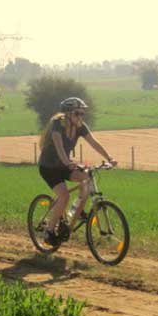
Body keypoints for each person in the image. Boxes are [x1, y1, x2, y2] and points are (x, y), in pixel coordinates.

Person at [37, 97, 116, 245]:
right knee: (64, 195)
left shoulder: (80, 126)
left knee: (86, 178)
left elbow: (94, 143)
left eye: (82, 113)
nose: (81, 116)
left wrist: (109, 158)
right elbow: (59, 145)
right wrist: (67, 162)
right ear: (68, 114)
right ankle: (49, 231)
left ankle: (75, 211)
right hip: (49, 166)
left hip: (65, 165)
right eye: (77, 113)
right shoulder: (57, 124)